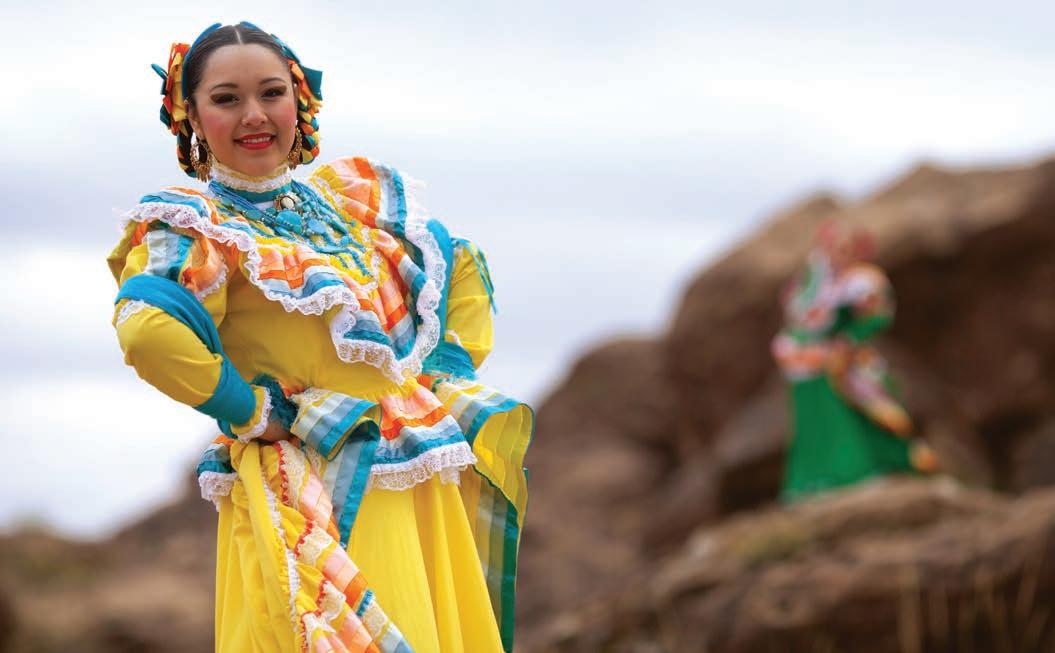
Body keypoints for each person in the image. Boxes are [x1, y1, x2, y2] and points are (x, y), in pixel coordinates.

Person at [107, 22, 532, 653]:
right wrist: (250, 410)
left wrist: (435, 378)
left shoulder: (350, 206)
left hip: (416, 484)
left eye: (270, 92)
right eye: (226, 99)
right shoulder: (199, 226)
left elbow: (459, 268)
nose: (254, 115)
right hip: (306, 487)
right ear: (190, 114)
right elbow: (147, 332)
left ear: (297, 100)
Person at [771, 221, 936, 500]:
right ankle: (816, 479)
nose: (836, 254)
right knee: (814, 424)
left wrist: (848, 340)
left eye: (844, 248)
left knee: (864, 414)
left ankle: (861, 471)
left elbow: (877, 316)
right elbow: (799, 317)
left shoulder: (861, 282)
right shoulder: (813, 281)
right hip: (807, 367)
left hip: (844, 364)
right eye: (831, 248)